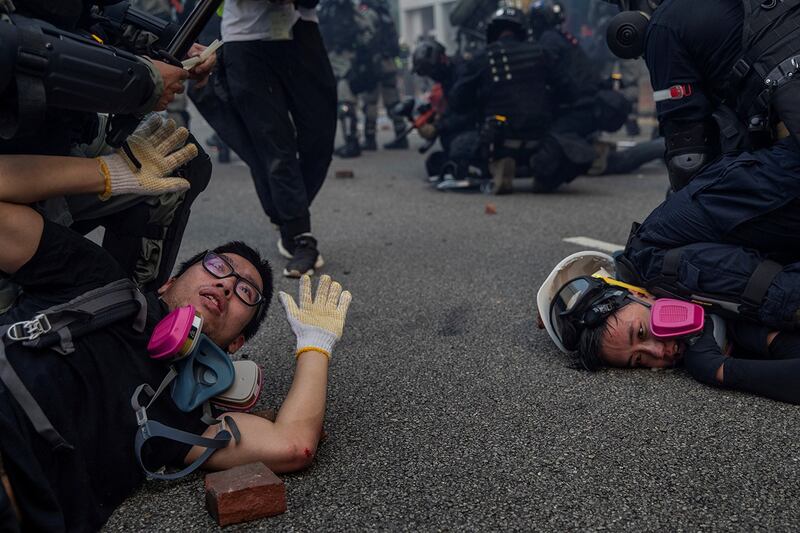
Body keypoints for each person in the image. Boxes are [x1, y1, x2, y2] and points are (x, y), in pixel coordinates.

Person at [0, 118, 353, 531]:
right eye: (218, 266)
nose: (225, 284)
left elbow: (292, 445)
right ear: (168, 281)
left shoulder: (180, 419)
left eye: (245, 294)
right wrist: (108, 172)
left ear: (235, 345)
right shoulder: (95, 278)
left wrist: (316, 344)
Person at [537, 129, 800, 406]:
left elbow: (789, 299)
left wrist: (717, 370)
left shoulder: (664, 269)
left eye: (641, 332)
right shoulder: (648, 258)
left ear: (639, 295)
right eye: (639, 360)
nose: (659, 352)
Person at [604, 0, 800, 191]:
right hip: (784, 129)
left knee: (668, 221)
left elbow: (688, 159)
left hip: (786, 159)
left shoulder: (666, 24)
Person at [220, 0, 336, 277]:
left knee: (320, 136)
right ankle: (299, 234)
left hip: (300, 30)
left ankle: (286, 214)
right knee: (273, 143)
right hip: (244, 38)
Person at [410, 38, 483, 187]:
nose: (430, 76)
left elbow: (469, 112)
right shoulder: (448, 77)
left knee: (459, 148)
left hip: (482, 125)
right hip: (470, 124)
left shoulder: (463, 73)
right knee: (435, 164)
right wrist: (436, 120)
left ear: (441, 60)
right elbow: (454, 108)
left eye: (430, 70)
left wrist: (439, 126)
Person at [358, 0, 408, 151]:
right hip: (389, 63)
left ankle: (370, 138)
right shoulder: (385, 13)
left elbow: (366, 38)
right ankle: (401, 136)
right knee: (392, 100)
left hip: (374, 64)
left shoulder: (368, 13)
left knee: (370, 102)